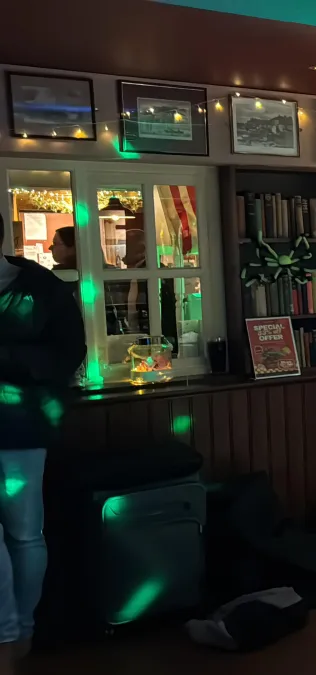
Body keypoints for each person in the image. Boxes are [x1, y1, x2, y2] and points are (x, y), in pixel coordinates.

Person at [0, 213, 85, 668]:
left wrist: (9, 358)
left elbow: (70, 354)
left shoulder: (43, 288)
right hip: (25, 423)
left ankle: (21, 634)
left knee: (25, 535)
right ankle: (10, 635)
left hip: (21, 426)